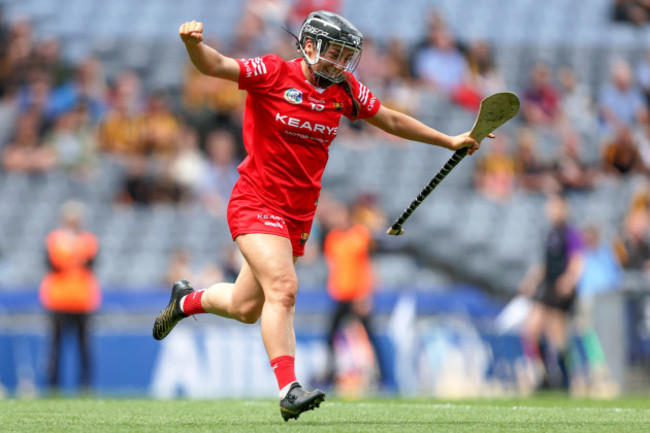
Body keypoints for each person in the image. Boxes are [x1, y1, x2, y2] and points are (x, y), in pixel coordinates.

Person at [153, 10, 486, 421]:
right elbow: (216, 65)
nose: (340, 63)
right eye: (334, 53)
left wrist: (446, 139)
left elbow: (392, 119)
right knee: (284, 287)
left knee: (245, 307)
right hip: (255, 201)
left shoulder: (344, 88)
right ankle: (289, 388)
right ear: (308, 46)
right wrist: (194, 45)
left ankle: (185, 301)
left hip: (298, 214)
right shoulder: (273, 72)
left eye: (347, 56)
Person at [519, 194, 584, 391]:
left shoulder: (570, 233)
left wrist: (570, 279)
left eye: (556, 207)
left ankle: (564, 378)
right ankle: (546, 374)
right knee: (530, 329)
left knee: (557, 333)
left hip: (561, 287)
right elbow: (544, 264)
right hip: (548, 285)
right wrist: (531, 280)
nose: (553, 211)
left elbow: (577, 259)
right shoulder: (548, 233)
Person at [39, 200, 101, 392]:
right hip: (59, 300)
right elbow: (53, 264)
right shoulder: (54, 239)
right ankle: (53, 387)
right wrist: (75, 258)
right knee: (56, 347)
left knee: (84, 348)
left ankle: (85, 386)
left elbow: (91, 263)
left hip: (82, 301)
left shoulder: (88, 239)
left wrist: (70, 257)